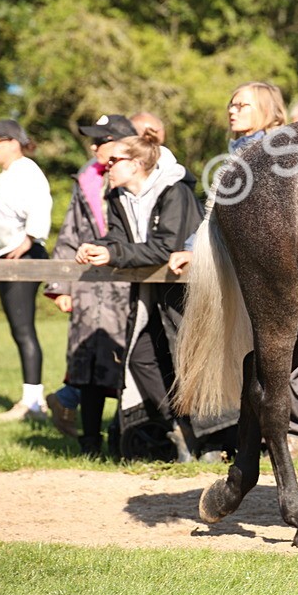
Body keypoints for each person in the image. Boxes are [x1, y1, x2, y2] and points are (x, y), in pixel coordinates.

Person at [169, 81, 298, 465]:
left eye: (242, 105)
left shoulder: (276, 154)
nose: (232, 110)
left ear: (269, 112)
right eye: (231, 104)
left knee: (282, 361)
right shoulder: (241, 153)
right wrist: (196, 248)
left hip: (283, 273)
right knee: (275, 362)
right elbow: (217, 214)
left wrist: (195, 248)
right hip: (252, 269)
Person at [75, 131, 208, 461]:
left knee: (190, 363)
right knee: (140, 357)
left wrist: (114, 255)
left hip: (186, 292)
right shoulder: (118, 197)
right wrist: (99, 247)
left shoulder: (175, 191)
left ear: (135, 164)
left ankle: (214, 439)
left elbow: (167, 246)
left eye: (113, 161)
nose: (105, 167)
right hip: (150, 294)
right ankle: (179, 427)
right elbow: (118, 238)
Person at [43, 116, 136, 452]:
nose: (94, 147)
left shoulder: (135, 176)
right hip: (86, 285)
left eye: (102, 140)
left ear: (123, 142)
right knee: (87, 363)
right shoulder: (86, 180)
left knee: (125, 360)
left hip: (126, 284)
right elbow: (70, 232)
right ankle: (90, 440)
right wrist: (60, 285)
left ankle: (126, 437)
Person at [0, 120, 53, 423]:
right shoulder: (9, 174)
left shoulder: (27, 171)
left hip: (22, 258)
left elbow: (40, 207)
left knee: (24, 328)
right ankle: (32, 397)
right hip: (6, 258)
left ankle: (33, 401)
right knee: (18, 329)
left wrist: (27, 240)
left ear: (12, 141)